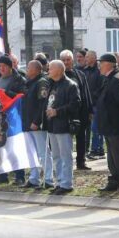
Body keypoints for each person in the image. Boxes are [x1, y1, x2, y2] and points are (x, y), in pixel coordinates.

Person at [96, 53, 119, 192]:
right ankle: (114, 181)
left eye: (102, 63)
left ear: (109, 64)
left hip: (115, 124)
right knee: (111, 156)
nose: (99, 66)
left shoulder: (116, 79)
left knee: (118, 155)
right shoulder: (108, 78)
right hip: (108, 124)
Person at [45, 60, 80, 195]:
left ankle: (66, 183)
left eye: (51, 69)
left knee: (65, 156)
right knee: (56, 156)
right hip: (52, 125)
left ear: (59, 70)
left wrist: (57, 111)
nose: (48, 71)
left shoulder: (70, 85)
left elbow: (75, 104)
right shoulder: (53, 85)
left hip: (64, 125)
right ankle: (59, 182)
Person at [0, 55, 27, 185]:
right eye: (0, 66)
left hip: (11, 119)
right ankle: (2, 175)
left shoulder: (19, 79)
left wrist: (7, 93)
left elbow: (22, 96)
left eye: (4, 66)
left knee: (12, 148)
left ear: (10, 67)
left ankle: (19, 175)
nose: (1, 69)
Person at [61, 49, 92, 170]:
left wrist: (90, 110)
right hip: (65, 113)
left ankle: (81, 162)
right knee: (66, 140)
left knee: (81, 138)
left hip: (80, 112)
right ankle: (66, 163)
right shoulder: (58, 76)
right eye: (63, 60)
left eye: (68, 60)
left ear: (72, 61)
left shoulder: (80, 74)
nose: (66, 62)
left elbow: (86, 93)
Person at [22, 60, 50, 189]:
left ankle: (48, 179)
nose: (27, 69)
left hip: (36, 125)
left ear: (36, 69)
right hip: (27, 123)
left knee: (43, 152)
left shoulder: (42, 83)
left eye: (29, 67)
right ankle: (34, 178)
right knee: (30, 152)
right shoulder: (29, 83)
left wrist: (37, 121)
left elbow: (42, 104)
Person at [82, 50, 105, 159]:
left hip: (96, 103)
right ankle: (97, 148)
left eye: (87, 57)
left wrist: (93, 96)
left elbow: (101, 87)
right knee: (92, 127)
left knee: (96, 127)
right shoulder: (85, 71)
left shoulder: (99, 71)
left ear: (94, 58)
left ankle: (96, 149)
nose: (85, 58)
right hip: (87, 104)